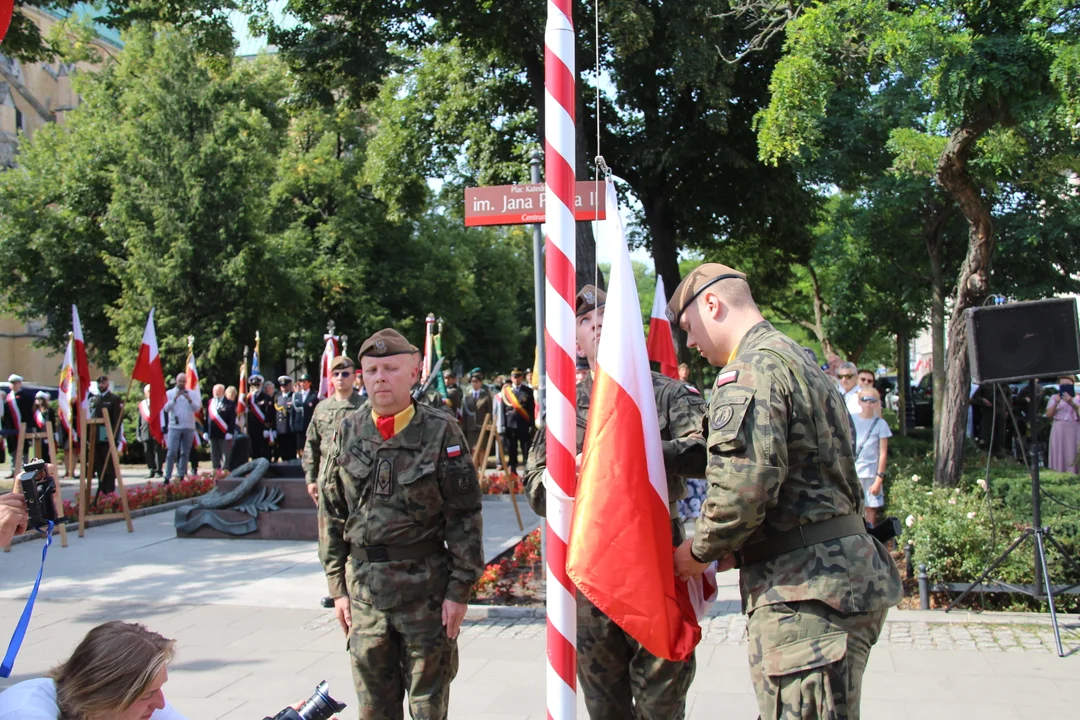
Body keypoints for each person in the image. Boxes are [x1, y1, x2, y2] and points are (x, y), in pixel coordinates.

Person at [667, 263, 901, 720]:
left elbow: (744, 488)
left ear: (712, 304)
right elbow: (807, 475)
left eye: (689, 327)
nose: (691, 342)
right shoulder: (800, 362)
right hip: (837, 578)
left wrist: (696, 552)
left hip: (807, 594)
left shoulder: (751, 369)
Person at [525, 285, 706, 719]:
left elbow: (703, 453)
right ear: (575, 341)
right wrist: (579, 471)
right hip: (592, 572)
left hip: (656, 563)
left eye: (607, 317)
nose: (598, 326)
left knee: (662, 704)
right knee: (603, 705)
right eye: (586, 322)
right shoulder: (567, 408)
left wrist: (633, 451)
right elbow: (535, 487)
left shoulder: (665, 393)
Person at [319, 328, 483, 719]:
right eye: (372, 369)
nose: (380, 377)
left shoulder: (441, 431)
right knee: (374, 709)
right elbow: (331, 512)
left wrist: (459, 591)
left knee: (428, 707)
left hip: (425, 596)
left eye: (391, 368)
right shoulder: (347, 430)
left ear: (413, 372)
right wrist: (337, 589)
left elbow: (464, 515)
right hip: (364, 595)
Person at [0, 621, 186, 720]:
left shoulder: (140, 708)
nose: (160, 703)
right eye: (147, 695)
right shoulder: (24, 713)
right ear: (103, 696)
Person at [303, 355, 366, 507]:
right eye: (336, 374)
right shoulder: (322, 408)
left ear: (354, 377)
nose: (340, 378)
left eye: (345, 374)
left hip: (357, 483)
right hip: (327, 482)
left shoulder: (366, 407)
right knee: (328, 530)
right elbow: (312, 445)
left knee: (357, 530)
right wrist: (310, 480)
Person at [853, 386, 891, 524]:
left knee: (871, 509)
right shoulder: (850, 419)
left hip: (871, 474)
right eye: (865, 399)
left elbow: (883, 453)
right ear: (859, 401)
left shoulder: (881, 424)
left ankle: (869, 541)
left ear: (877, 403)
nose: (868, 403)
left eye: (872, 400)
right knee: (853, 509)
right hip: (853, 473)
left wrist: (879, 478)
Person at [90, 376, 124, 496]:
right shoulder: (94, 399)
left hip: (107, 433)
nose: (101, 385)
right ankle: (101, 487)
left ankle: (109, 488)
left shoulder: (114, 399)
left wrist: (114, 435)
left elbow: (117, 419)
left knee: (109, 463)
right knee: (98, 462)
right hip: (96, 434)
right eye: (99, 383)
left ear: (108, 384)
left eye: (103, 383)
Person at [162, 373, 198, 484]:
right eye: (179, 381)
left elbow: (197, 408)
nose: (181, 383)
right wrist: (175, 399)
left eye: (183, 381)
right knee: (172, 451)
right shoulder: (170, 393)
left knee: (185, 452)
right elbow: (166, 408)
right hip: (174, 427)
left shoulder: (192, 393)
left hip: (188, 426)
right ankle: (167, 475)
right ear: (176, 382)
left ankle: (181, 474)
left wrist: (189, 399)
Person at [499, 367, 535, 474]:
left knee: (525, 449)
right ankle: (513, 471)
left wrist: (531, 425)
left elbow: (531, 409)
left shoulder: (528, 391)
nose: (516, 379)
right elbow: (502, 409)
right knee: (511, 450)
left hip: (523, 424)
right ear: (511, 378)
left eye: (518, 376)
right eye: (514, 377)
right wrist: (503, 425)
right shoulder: (507, 391)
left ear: (522, 377)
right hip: (510, 425)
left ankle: (526, 471)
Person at [1046, 375, 1080, 474]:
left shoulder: (1077, 398)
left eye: (1068, 385)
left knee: (1073, 451)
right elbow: (1048, 414)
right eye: (1062, 385)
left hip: (1074, 428)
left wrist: (1071, 402)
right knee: (1060, 452)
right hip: (1059, 429)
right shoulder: (1054, 397)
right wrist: (1056, 403)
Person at [1, 374, 35, 474]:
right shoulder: (7, 399)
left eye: (16, 383)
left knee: (24, 450)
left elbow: (30, 413)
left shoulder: (27, 397)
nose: (14, 385)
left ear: (20, 383)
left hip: (24, 427)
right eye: (12, 383)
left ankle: (25, 470)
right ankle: (13, 471)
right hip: (10, 428)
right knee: (12, 450)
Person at [137, 384, 168, 479]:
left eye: (151, 391)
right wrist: (138, 433)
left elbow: (164, 417)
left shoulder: (159, 403)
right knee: (147, 451)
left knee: (157, 451)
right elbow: (139, 420)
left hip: (156, 431)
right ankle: (151, 469)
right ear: (145, 393)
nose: (150, 393)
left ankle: (158, 470)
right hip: (145, 431)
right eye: (148, 391)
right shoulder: (142, 404)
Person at [206, 384, 236, 471]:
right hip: (212, 432)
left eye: (218, 390)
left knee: (225, 453)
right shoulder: (210, 402)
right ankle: (216, 470)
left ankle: (225, 470)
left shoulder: (229, 403)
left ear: (223, 392)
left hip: (224, 433)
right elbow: (207, 418)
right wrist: (205, 431)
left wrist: (230, 432)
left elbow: (232, 419)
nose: (216, 392)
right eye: (214, 390)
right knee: (214, 452)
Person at [461, 371, 492, 452]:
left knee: (482, 449)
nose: (474, 384)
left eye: (476, 382)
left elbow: (489, 412)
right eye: (473, 381)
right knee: (472, 449)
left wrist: (489, 425)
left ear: (481, 383)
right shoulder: (467, 397)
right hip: (470, 427)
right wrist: (463, 428)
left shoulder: (486, 396)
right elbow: (464, 413)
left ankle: (481, 465)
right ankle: (474, 465)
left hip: (482, 426)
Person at [248, 377, 275, 461]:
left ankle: (267, 470)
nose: (256, 386)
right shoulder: (249, 398)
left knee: (264, 451)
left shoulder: (266, 397)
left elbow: (269, 414)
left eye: (257, 384)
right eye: (254, 385)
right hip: (252, 429)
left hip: (263, 428)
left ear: (261, 385)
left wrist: (267, 428)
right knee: (254, 451)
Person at [292, 373, 317, 451]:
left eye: (304, 382)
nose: (302, 384)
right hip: (299, 425)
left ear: (309, 383)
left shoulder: (314, 395)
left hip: (309, 425)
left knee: (309, 447)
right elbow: (293, 412)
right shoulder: (296, 395)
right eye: (301, 382)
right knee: (300, 447)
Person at [274, 376, 296, 462]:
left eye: (285, 385)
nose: (283, 387)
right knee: (282, 450)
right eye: (282, 385)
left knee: (291, 451)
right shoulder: (277, 397)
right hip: (280, 428)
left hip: (290, 428)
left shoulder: (294, 396)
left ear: (289, 385)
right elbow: (275, 414)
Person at [29, 392, 56, 463]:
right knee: (38, 455)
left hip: (47, 435)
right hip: (38, 436)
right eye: (36, 399)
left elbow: (50, 423)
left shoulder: (49, 411)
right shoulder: (36, 411)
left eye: (39, 399)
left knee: (47, 455)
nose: (37, 400)